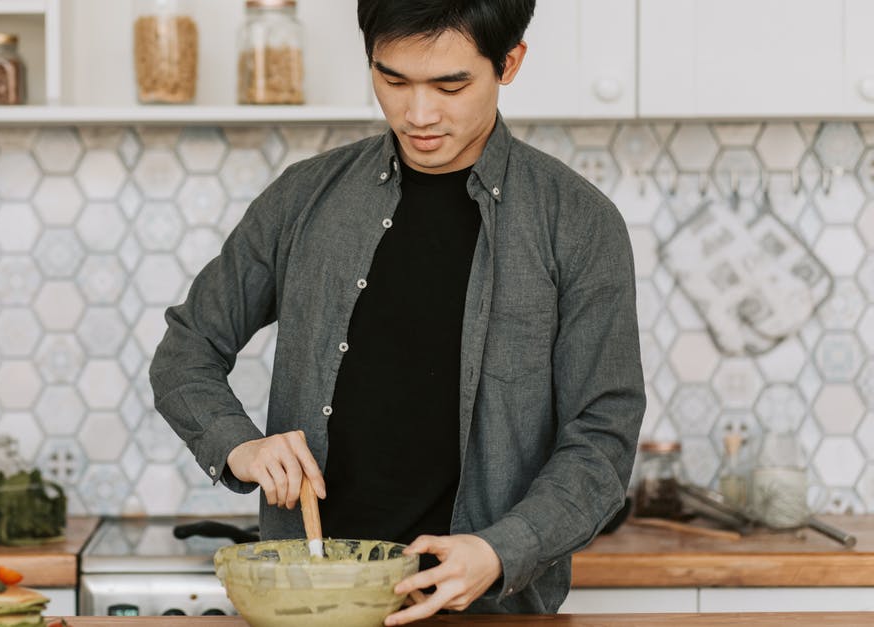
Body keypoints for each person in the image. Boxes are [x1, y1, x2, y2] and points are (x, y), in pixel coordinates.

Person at [149, 0, 645, 621]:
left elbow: (601, 439)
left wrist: (500, 551)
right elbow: (187, 350)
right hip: (310, 607)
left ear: (509, 63)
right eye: (392, 79)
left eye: (451, 84)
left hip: (490, 609)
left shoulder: (578, 223)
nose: (419, 114)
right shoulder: (303, 198)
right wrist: (238, 446)